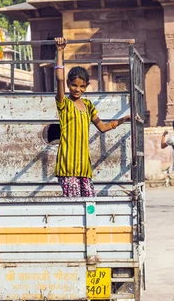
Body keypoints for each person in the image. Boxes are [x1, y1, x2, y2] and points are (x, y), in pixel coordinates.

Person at [54, 37, 134, 197]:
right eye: (74, 85)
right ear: (69, 84)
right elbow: (59, 78)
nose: (77, 89)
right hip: (68, 166)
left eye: (82, 86)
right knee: (74, 206)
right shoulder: (64, 104)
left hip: (84, 167)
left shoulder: (88, 106)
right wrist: (60, 51)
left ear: (86, 87)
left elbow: (103, 128)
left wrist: (124, 119)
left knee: (90, 204)